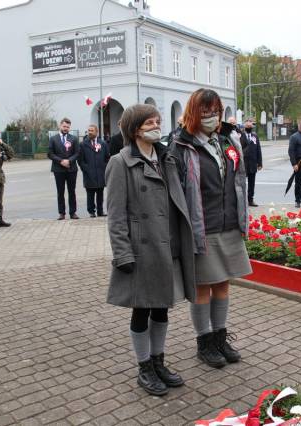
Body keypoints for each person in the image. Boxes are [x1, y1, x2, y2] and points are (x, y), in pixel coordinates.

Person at [105, 104, 195, 396]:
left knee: (162, 308)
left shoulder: (166, 157)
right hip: (141, 250)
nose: (157, 126)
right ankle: (144, 366)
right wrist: (123, 254)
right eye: (150, 122)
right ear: (134, 130)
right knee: (141, 311)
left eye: (158, 121)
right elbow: (115, 215)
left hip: (167, 245)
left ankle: (158, 361)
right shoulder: (120, 163)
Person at [170, 88, 251, 369]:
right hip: (201, 226)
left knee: (223, 283)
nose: (212, 117)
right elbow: (176, 192)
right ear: (194, 114)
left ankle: (220, 336)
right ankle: (204, 341)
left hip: (228, 223)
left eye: (215, 111)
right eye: (205, 112)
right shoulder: (181, 145)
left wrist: (242, 218)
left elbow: (239, 180)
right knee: (203, 287)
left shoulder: (227, 140)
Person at [48, 118, 80, 220]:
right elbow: (50, 154)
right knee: (60, 192)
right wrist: (61, 161)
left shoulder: (74, 139)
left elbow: (77, 153)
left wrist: (69, 161)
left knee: (72, 191)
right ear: (60, 126)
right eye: (64, 126)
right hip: (58, 169)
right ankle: (62, 213)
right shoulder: (53, 139)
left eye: (68, 127)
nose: (66, 128)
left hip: (71, 169)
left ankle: (73, 212)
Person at [78, 124, 109, 218]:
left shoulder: (103, 143)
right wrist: (85, 169)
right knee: (90, 194)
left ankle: (100, 211)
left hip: (100, 173)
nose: (90, 132)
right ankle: (91, 211)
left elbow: (107, 157)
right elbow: (80, 160)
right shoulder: (83, 144)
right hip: (89, 173)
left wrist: (104, 167)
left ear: (97, 132)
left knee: (100, 194)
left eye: (92, 130)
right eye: (89, 130)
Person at [240, 118, 262, 207]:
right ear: (244, 125)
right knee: (242, 183)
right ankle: (242, 201)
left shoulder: (255, 136)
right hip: (243, 163)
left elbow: (258, 149)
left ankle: (250, 200)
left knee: (252, 183)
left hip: (253, 163)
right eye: (247, 125)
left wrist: (260, 163)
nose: (249, 126)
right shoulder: (240, 136)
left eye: (250, 125)